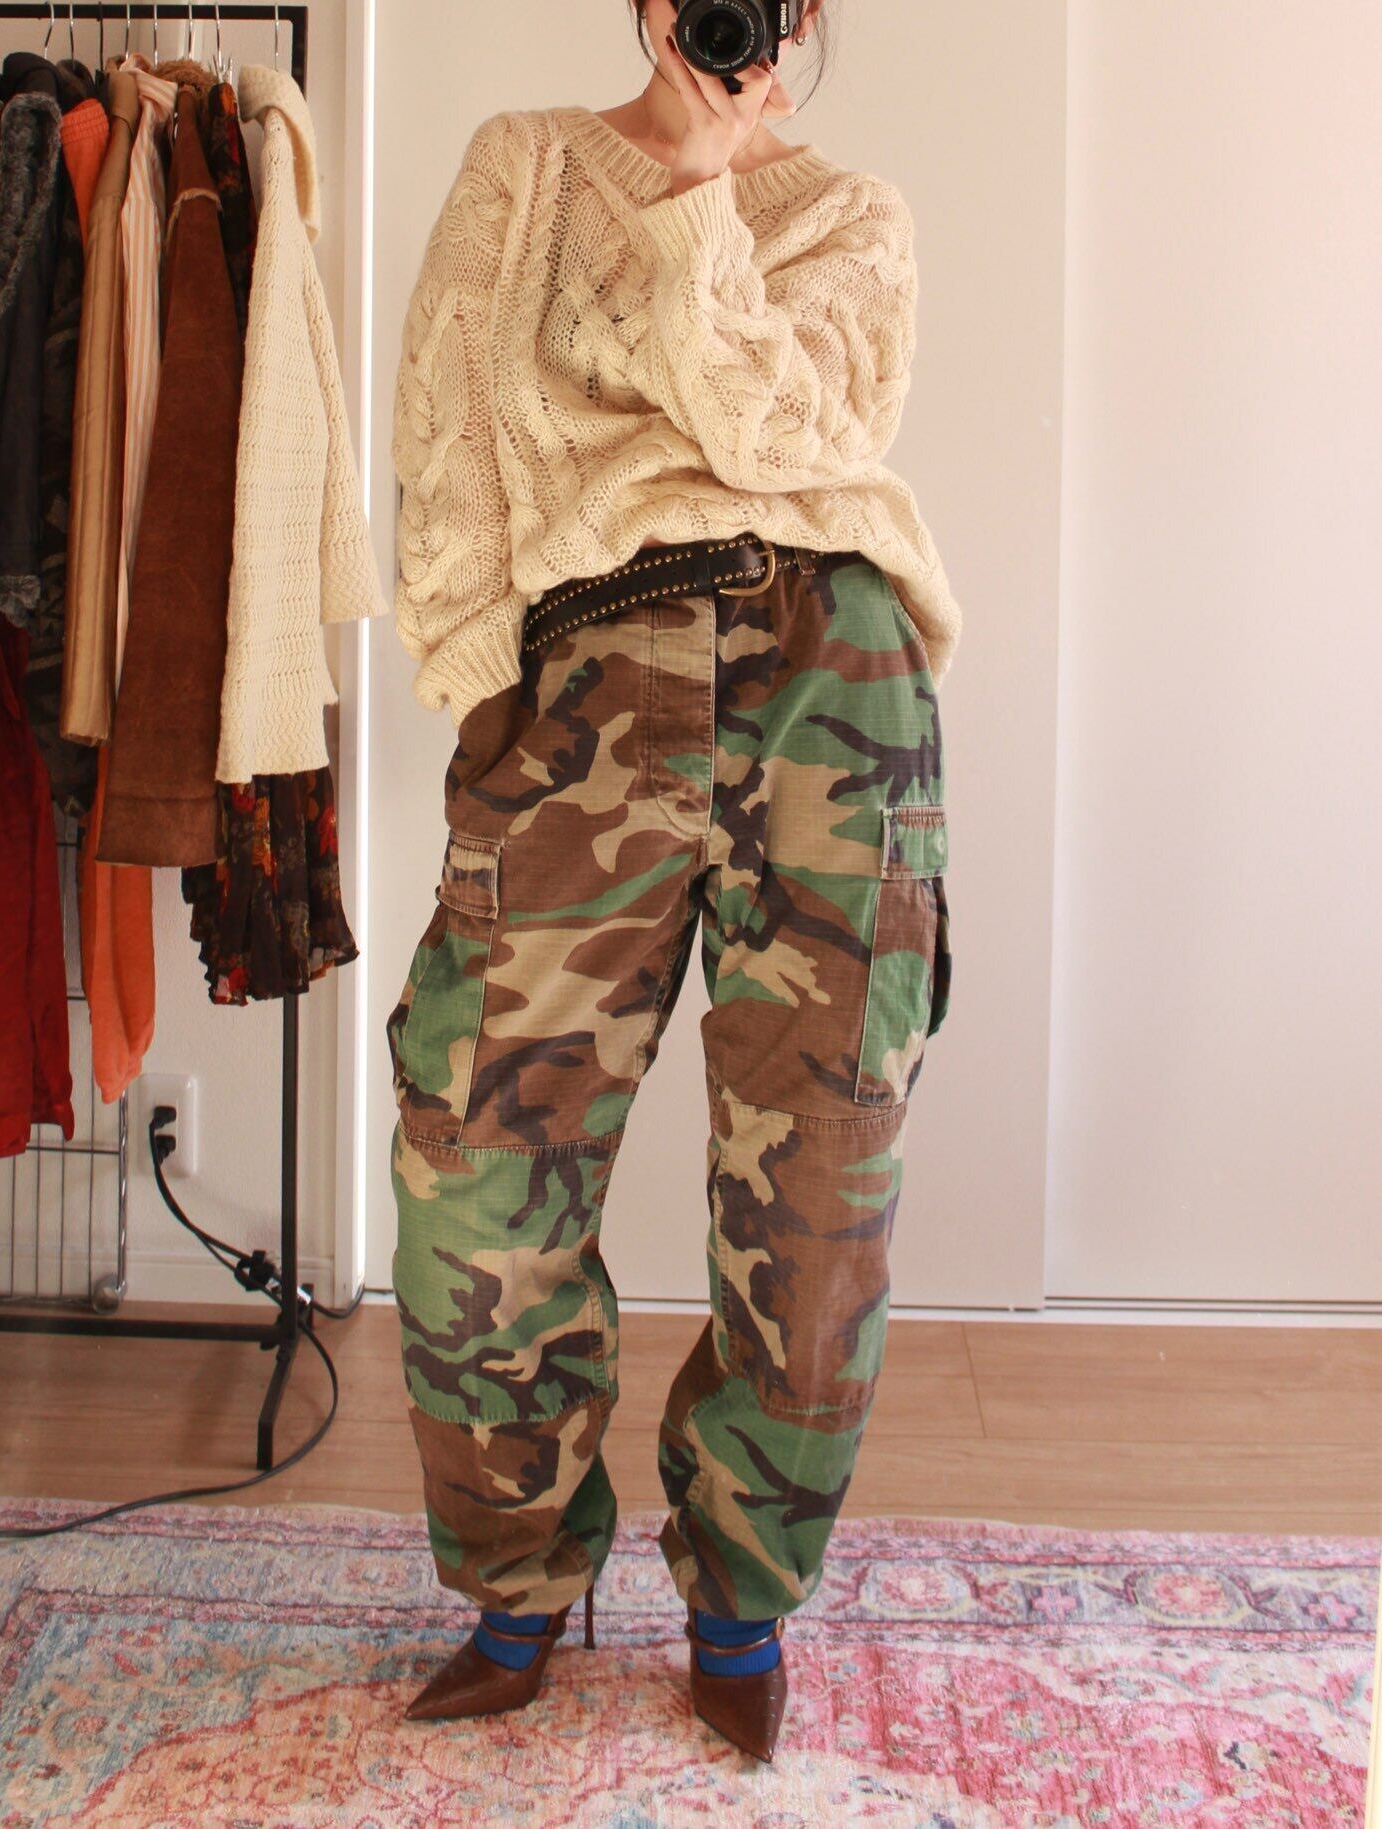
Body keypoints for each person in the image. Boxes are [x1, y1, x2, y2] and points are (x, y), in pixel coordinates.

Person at [387, 0, 959, 1762]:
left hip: (832, 678)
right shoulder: (525, 168)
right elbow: (444, 443)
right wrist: (487, 696)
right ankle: (516, 1585)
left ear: (806, 16)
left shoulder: (852, 215)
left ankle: (739, 1600)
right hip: (586, 676)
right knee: (478, 1169)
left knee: (816, 1195)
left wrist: (707, 183)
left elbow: (787, 429)